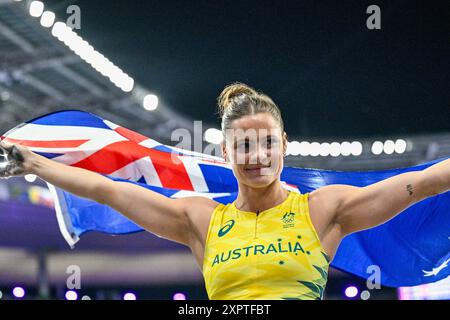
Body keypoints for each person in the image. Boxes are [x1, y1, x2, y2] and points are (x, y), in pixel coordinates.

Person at [0, 83, 449, 300]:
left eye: (268, 142)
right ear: (227, 151)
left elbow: (423, 184)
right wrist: (35, 164)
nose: (257, 156)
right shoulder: (200, 219)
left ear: (284, 146)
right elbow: (109, 191)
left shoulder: (323, 210)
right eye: (244, 145)